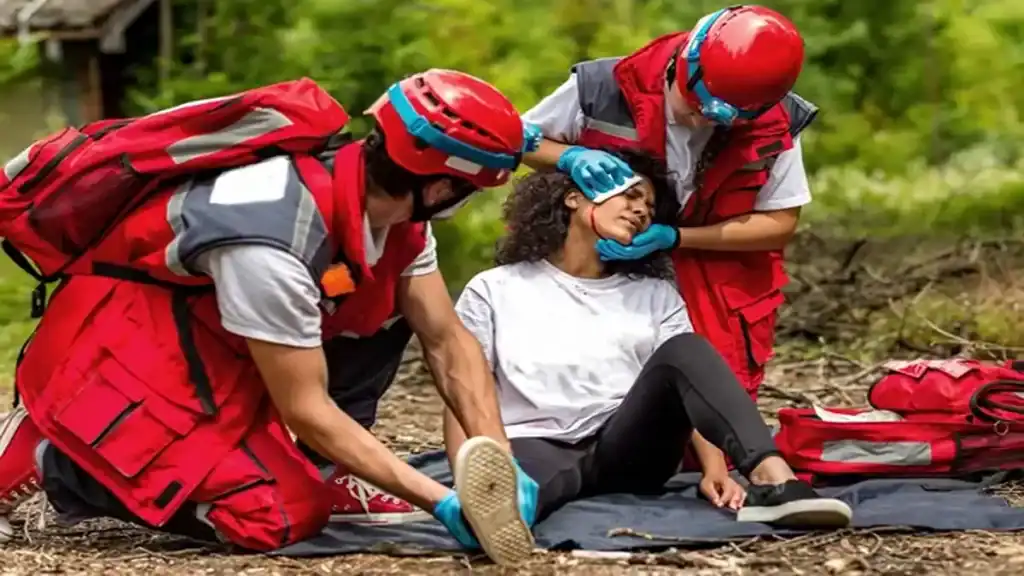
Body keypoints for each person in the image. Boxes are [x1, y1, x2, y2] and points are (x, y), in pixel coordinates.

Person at [0, 70, 539, 565]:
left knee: (390, 307)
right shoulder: (271, 241)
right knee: (278, 516)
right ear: (443, 186)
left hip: (228, 338)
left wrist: (498, 458)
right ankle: (64, 458)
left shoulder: (396, 224)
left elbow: (447, 341)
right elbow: (307, 409)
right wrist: (441, 501)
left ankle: (321, 469)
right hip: (132, 349)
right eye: (469, 191)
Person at [445, 150, 853, 526]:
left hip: (628, 447)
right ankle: (498, 510)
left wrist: (715, 469)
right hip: (535, 443)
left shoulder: (655, 294)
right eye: (630, 196)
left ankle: (776, 482)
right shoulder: (495, 288)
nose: (641, 210)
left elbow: (690, 385)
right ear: (574, 198)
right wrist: (466, 478)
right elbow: (461, 391)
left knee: (686, 348)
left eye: (650, 207)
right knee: (507, 508)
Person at [521, 5, 816, 411]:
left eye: (715, 118)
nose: (698, 121)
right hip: (606, 270)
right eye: (693, 105)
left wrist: (675, 238)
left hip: (714, 279)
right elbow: (521, 140)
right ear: (687, 61)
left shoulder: (776, 121)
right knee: (591, 398)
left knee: (710, 410)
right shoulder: (602, 88)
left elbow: (779, 222)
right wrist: (570, 157)